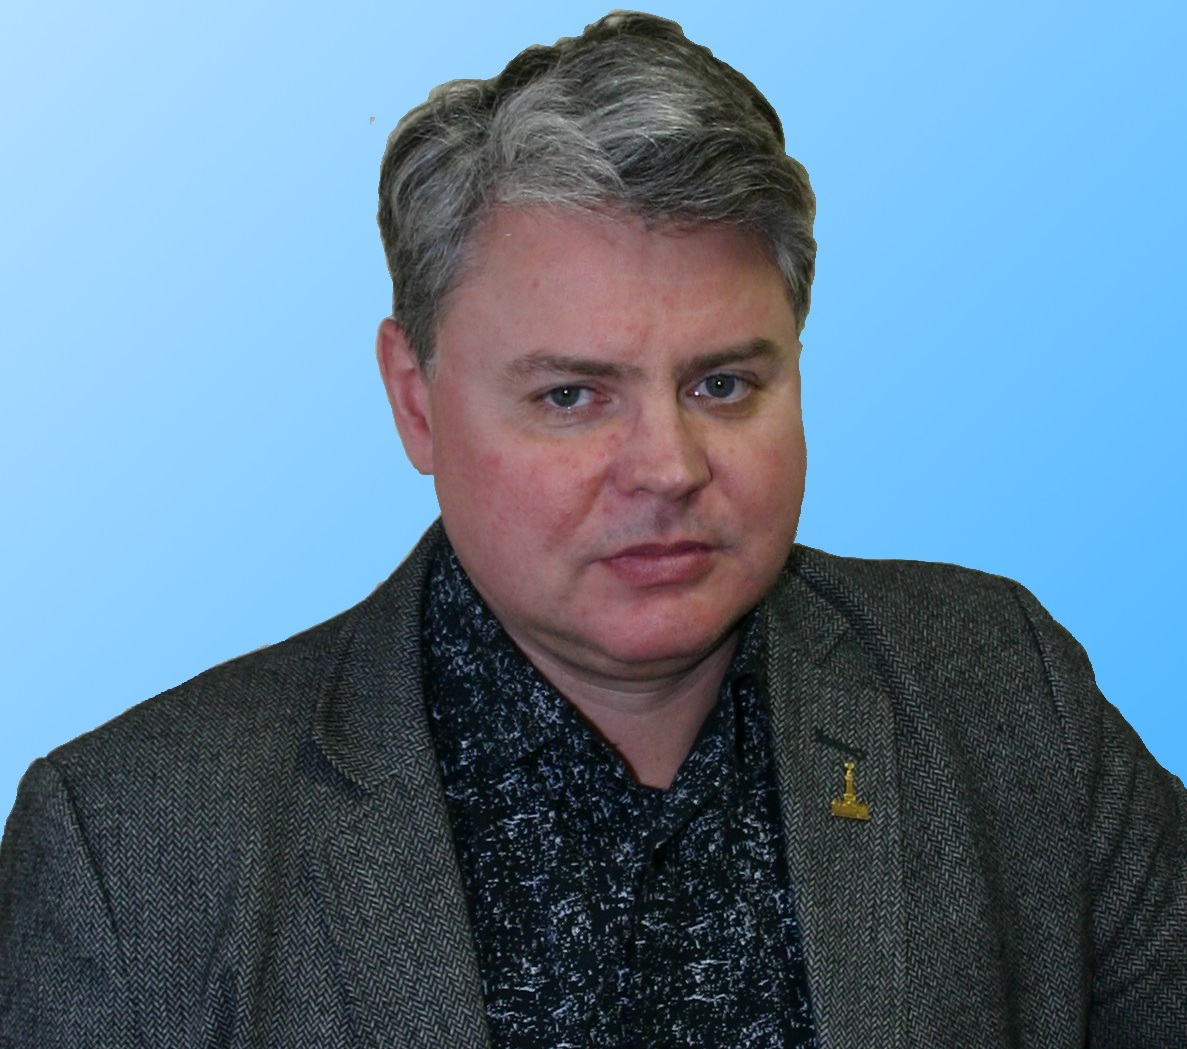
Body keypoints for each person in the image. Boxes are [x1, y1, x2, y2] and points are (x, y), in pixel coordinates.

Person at [1, 10, 1184, 1047]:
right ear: (415, 401)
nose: (667, 466)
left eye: (722, 383)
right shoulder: (134, 849)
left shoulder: (1004, 695)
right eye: (571, 395)